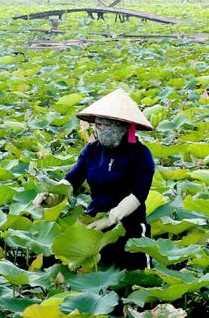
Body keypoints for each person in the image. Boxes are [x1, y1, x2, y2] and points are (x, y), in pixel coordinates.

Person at [35, 88, 154, 270]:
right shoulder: (92, 150)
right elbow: (72, 179)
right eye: (97, 125)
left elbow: (138, 195)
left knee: (133, 276)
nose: (99, 130)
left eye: (105, 126)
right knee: (56, 259)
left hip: (129, 224)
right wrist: (52, 196)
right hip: (94, 221)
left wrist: (111, 218)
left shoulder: (141, 154)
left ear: (121, 126)